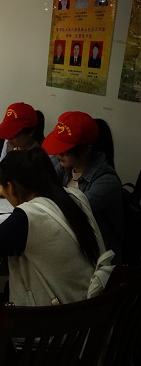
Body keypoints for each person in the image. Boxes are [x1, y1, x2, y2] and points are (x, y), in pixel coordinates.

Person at [0, 147, 105, 328]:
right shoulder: (76, 196)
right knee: (8, 287)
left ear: (11, 187)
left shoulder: (27, 217)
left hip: (55, 325)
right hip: (92, 308)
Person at [42, 111, 123, 263]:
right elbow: (42, 183)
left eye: (65, 149)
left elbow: (71, 210)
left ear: (86, 150)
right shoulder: (67, 167)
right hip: (70, 241)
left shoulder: (107, 182)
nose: (59, 153)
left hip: (97, 257)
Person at [0, 102, 45, 181]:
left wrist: (0, 177)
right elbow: (1, 169)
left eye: (13, 134)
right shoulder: (9, 144)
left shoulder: (39, 157)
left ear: (30, 132)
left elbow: (27, 185)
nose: (8, 138)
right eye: (7, 132)